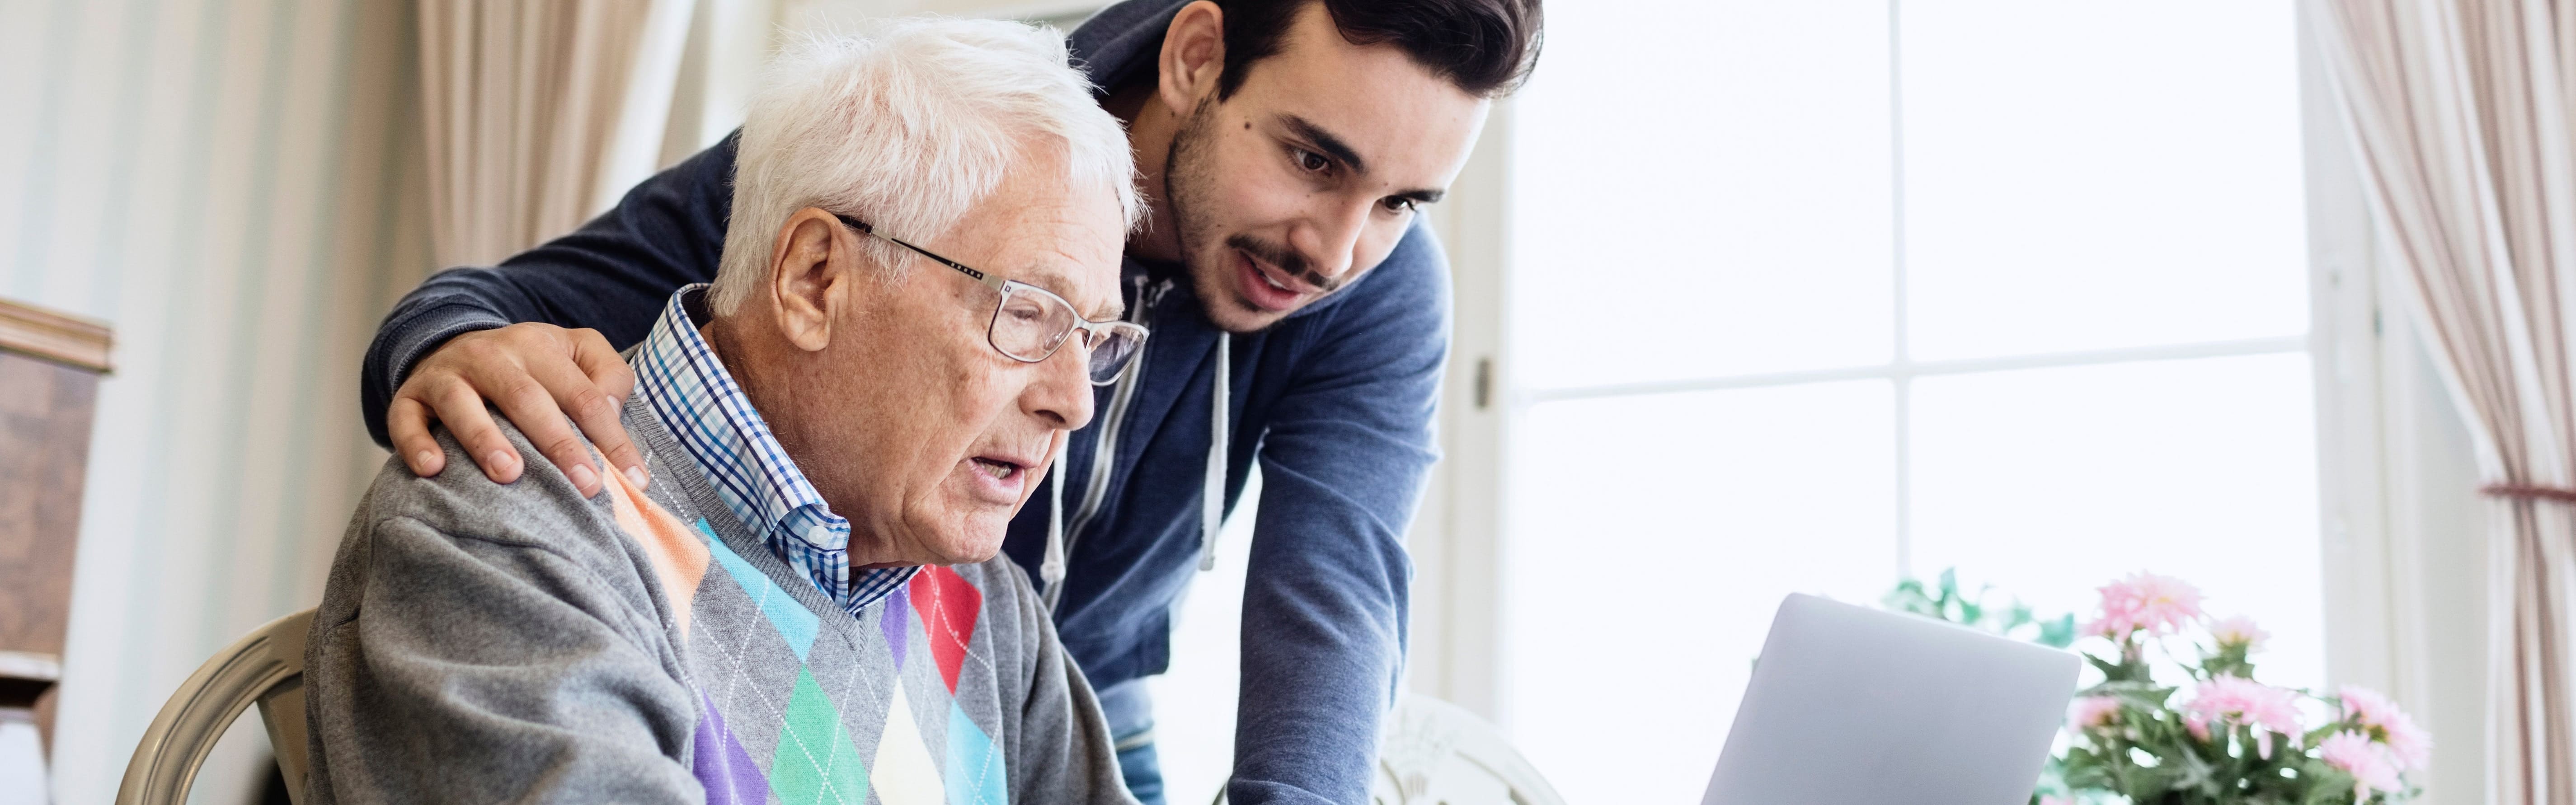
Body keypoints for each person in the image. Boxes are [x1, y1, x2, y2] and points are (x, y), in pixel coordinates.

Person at [355, 1, 1543, 802]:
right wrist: (456, 352)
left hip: (1002, 667)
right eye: (1314, 159)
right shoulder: (941, 138)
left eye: (1402, 202)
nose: (1338, 249)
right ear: (1195, 59)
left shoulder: (1370, 288)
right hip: (786, 605)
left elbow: (1334, 590)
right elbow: (537, 299)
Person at [305, 19, 1146, 803]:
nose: (1073, 402)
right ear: (815, 279)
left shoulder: (982, 601)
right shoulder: (505, 525)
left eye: (1096, 336)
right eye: (1027, 313)